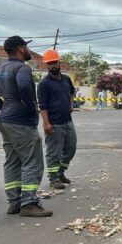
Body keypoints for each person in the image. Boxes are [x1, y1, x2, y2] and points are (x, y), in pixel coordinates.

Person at [0, 36, 52, 217]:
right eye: (26, 48)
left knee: (12, 161)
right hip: (21, 123)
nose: (28, 51)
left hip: (5, 121)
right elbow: (25, 88)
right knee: (32, 162)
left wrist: (1, 106)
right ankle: (29, 203)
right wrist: (29, 108)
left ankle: (14, 203)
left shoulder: (1, 69)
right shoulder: (22, 68)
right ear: (20, 49)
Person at [37, 49, 76, 190]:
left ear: (60, 62)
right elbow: (43, 106)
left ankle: (60, 173)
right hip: (54, 124)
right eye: (49, 64)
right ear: (46, 66)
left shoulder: (66, 79)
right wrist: (46, 123)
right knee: (53, 153)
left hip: (68, 121)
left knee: (71, 149)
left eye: (55, 62)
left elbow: (72, 91)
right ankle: (53, 179)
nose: (53, 65)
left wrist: (71, 103)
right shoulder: (44, 84)